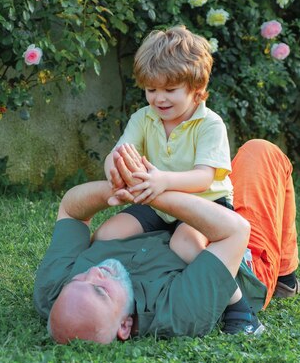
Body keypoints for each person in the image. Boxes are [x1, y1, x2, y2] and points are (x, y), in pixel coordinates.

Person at [33, 139, 300, 344]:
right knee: (260, 152)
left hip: (166, 221)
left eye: (79, 279)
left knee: (110, 232)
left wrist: (119, 189)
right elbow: (234, 231)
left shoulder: (54, 292)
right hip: (230, 250)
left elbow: (70, 209)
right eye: (101, 291)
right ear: (125, 326)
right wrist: (152, 193)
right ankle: (284, 274)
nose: (94, 273)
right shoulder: (177, 312)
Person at [96, 25, 234, 267]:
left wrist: (164, 181)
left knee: (184, 245)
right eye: (151, 89)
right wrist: (115, 173)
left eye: (170, 90)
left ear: (197, 88)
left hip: (204, 203)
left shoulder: (209, 124)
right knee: (105, 236)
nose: (159, 98)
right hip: (158, 203)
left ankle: (234, 299)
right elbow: (117, 154)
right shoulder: (143, 117)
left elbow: (204, 178)